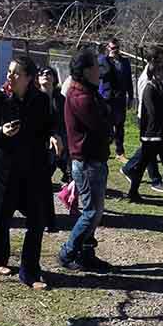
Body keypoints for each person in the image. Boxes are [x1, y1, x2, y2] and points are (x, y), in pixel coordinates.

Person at [0, 56, 59, 289]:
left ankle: (29, 272)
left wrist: (54, 135)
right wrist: (1, 131)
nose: (10, 76)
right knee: (0, 219)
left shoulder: (39, 101)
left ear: (29, 78)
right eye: (9, 72)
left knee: (37, 221)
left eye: (16, 73)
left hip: (31, 171)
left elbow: (50, 125)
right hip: (3, 171)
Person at [57, 46, 114, 273]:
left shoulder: (88, 91)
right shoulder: (81, 96)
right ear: (86, 70)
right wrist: (108, 125)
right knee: (92, 213)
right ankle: (68, 251)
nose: (99, 70)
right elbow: (102, 125)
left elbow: (106, 115)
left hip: (93, 160)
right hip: (88, 161)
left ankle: (86, 254)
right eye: (96, 66)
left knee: (94, 211)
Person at [122, 48, 163, 204]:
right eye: (161, 72)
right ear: (154, 73)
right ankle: (133, 192)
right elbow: (152, 114)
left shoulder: (161, 87)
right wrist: (162, 129)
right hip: (152, 135)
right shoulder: (149, 88)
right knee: (142, 166)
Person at [38, 66, 69, 233]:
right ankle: (44, 217)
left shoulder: (60, 98)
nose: (45, 76)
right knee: (42, 182)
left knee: (71, 175)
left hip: (60, 144)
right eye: (41, 73)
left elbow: (65, 121)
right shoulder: (35, 97)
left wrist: (62, 139)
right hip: (42, 146)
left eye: (48, 73)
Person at [98, 38, 134, 161]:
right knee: (107, 126)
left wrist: (131, 96)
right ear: (108, 48)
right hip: (107, 98)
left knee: (120, 126)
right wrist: (106, 57)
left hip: (120, 97)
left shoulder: (125, 62)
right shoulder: (103, 61)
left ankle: (120, 152)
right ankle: (105, 150)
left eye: (117, 48)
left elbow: (129, 80)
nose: (115, 50)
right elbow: (102, 75)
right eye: (112, 48)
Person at [134, 61, 163, 190]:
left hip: (159, 128)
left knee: (150, 155)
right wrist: (156, 129)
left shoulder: (159, 85)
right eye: (162, 71)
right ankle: (154, 180)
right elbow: (150, 110)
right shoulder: (148, 86)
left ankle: (131, 172)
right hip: (150, 127)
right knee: (148, 154)